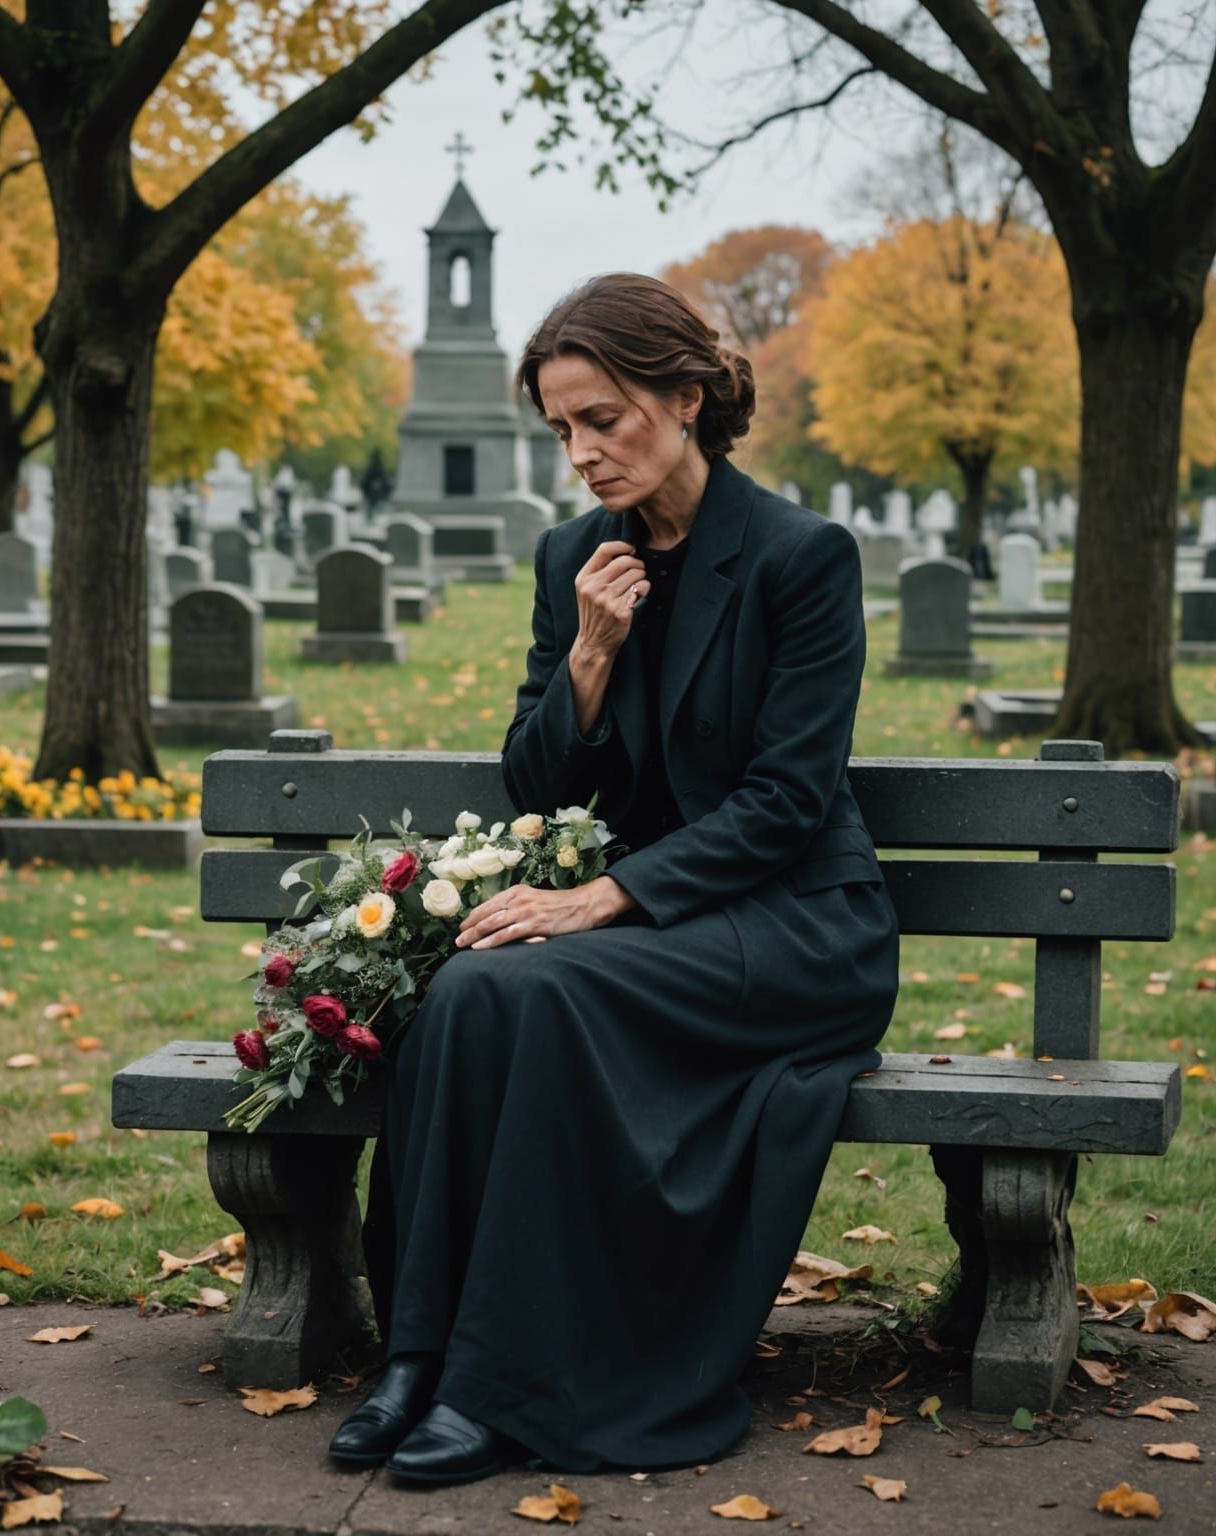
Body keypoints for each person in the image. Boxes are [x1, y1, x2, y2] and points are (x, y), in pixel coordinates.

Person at [330, 272, 900, 1486]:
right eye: (560, 430)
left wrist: (600, 900)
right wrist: (589, 655)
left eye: (604, 418)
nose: (582, 454)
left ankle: (504, 1384)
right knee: (470, 994)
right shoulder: (572, 560)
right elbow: (538, 787)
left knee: (533, 992)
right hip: (651, 933)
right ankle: (416, 1356)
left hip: (796, 930)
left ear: (686, 396)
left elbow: (789, 805)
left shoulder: (802, 559)